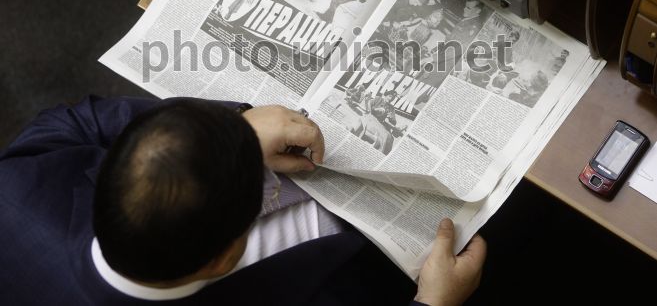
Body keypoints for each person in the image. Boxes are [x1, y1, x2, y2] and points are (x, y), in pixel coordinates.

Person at [0, 96, 486, 305]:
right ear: (222, 260)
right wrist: (434, 303)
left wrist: (236, 127)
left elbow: (74, 123)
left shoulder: (12, 190)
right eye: (260, 187)